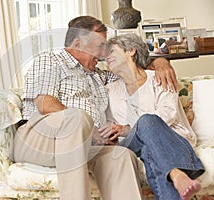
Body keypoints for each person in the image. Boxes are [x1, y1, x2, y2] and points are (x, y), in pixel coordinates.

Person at [13, 15, 177, 200]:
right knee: (78, 118)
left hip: (84, 145)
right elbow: (44, 103)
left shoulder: (100, 76)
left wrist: (159, 62)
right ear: (77, 44)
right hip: (39, 141)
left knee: (121, 155)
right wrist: (89, 130)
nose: (103, 53)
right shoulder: (50, 61)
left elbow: (133, 70)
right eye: (100, 45)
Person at [101, 33, 205, 200]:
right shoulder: (109, 89)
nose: (107, 57)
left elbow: (168, 113)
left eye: (112, 51)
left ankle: (175, 175)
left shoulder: (159, 77)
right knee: (146, 122)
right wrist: (111, 134)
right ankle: (177, 173)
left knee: (149, 145)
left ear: (131, 51)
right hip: (130, 142)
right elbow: (108, 123)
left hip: (171, 137)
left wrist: (128, 128)